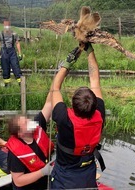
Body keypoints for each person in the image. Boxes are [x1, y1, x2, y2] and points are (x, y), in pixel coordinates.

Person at [50, 43, 105, 189]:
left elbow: (55, 87)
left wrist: (68, 63)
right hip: (88, 173)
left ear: (72, 105)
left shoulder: (64, 118)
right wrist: (90, 50)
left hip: (65, 177)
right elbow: (95, 80)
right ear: (94, 105)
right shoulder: (99, 114)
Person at [6, 92, 54, 190]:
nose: (30, 121)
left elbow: (49, 103)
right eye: (26, 122)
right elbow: (18, 181)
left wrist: (57, 81)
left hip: (46, 182)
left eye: (28, 119)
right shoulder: (15, 153)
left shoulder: (37, 127)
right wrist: (43, 172)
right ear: (20, 133)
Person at [0, 20, 22, 87]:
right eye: (5, 25)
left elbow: (17, 43)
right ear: (3, 25)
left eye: (8, 25)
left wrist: (20, 53)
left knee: (16, 68)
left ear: (10, 25)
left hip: (12, 52)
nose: (7, 27)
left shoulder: (14, 34)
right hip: (3, 52)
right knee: (5, 70)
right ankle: (7, 86)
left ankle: (21, 85)